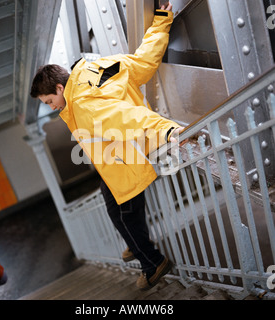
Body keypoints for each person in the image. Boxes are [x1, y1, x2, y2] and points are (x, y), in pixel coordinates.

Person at [30, 2, 184, 290]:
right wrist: (162, 21)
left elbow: (125, 118)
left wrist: (165, 128)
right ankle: (133, 242)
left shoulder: (83, 104)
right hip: (119, 160)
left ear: (59, 88)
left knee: (124, 215)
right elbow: (142, 62)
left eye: (49, 102)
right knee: (112, 202)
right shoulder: (94, 69)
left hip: (126, 161)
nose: (51, 108)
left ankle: (151, 263)